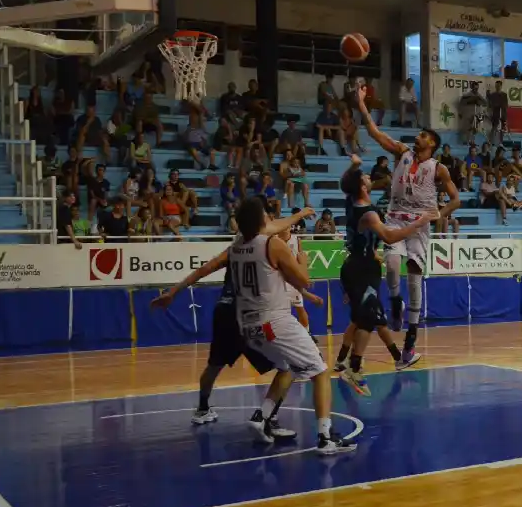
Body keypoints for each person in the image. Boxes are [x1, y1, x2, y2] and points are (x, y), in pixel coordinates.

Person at [151, 207, 315, 426]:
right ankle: (268, 417)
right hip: (251, 314)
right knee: (288, 366)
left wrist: (173, 291)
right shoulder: (262, 245)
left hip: (224, 310)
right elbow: (295, 267)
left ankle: (202, 408)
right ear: (259, 224)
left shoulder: (236, 247)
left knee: (214, 365)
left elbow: (203, 270)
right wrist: (301, 216)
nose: (271, 221)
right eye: (266, 218)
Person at [226, 198, 355, 450]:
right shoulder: (272, 245)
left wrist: (299, 215)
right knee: (320, 371)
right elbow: (304, 280)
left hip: (247, 325)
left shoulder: (235, 246)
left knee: (286, 367)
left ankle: (262, 416)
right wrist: (302, 261)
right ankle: (325, 438)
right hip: (273, 320)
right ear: (264, 220)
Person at [356, 85, 459, 364]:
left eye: (423, 134)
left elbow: (455, 199)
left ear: (433, 144)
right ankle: (394, 301)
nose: (418, 136)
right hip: (395, 218)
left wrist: (441, 212)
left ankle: (411, 340)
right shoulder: (402, 152)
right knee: (391, 266)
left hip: (420, 224)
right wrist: (362, 104)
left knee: (414, 274)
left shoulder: (439, 168)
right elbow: (375, 133)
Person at [331, 163, 438, 393]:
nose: (370, 177)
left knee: (371, 319)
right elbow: (389, 236)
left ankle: (356, 364)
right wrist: (418, 223)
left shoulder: (351, 199)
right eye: (365, 176)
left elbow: (347, 183)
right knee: (369, 319)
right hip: (361, 268)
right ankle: (353, 367)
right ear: (361, 185)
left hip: (360, 265)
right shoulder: (368, 213)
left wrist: (354, 165)